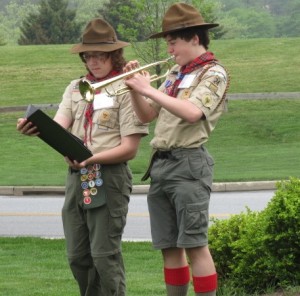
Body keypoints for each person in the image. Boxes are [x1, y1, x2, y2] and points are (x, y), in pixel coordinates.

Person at [17, 18, 148, 296]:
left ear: (114, 54)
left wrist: (91, 158)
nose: (93, 61)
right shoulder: (77, 88)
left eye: (100, 55)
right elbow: (60, 124)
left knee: (104, 255)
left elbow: (130, 149)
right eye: (88, 55)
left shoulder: (127, 88)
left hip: (109, 176)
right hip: (78, 176)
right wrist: (36, 129)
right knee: (78, 256)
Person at [124, 3, 230, 296]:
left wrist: (148, 89)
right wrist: (134, 89)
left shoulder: (214, 73)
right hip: (162, 164)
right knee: (168, 246)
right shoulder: (174, 72)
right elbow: (147, 115)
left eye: (174, 42)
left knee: (195, 245)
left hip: (189, 164)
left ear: (194, 38)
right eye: (168, 43)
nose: (170, 50)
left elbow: (193, 112)